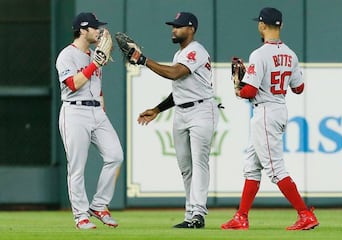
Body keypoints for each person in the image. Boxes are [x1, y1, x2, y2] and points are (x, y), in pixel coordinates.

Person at [221, 7, 319, 231]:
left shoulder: (260, 54)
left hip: (265, 112)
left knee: (275, 170)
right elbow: (299, 88)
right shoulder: (291, 54)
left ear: (262, 26)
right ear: (281, 25)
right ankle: (241, 217)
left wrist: (239, 87)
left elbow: (250, 92)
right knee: (252, 167)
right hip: (279, 108)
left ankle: (305, 215)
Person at [135, 12, 220, 229]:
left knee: (199, 162)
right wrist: (157, 109)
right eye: (173, 26)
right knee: (185, 166)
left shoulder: (196, 51)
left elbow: (175, 74)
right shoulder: (180, 53)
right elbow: (181, 91)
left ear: (191, 29)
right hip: (182, 112)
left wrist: (143, 60)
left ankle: (198, 214)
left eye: (179, 26)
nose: (174, 29)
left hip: (202, 110)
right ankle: (191, 213)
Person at [56, 12, 123, 230]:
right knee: (77, 167)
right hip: (74, 112)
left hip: (96, 112)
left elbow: (96, 86)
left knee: (115, 156)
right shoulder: (66, 55)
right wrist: (94, 64)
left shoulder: (96, 54)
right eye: (94, 28)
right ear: (82, 30)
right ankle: (81, 216)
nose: (98, 31)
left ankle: (99, 205)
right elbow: (73, 84)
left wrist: (101, 108)